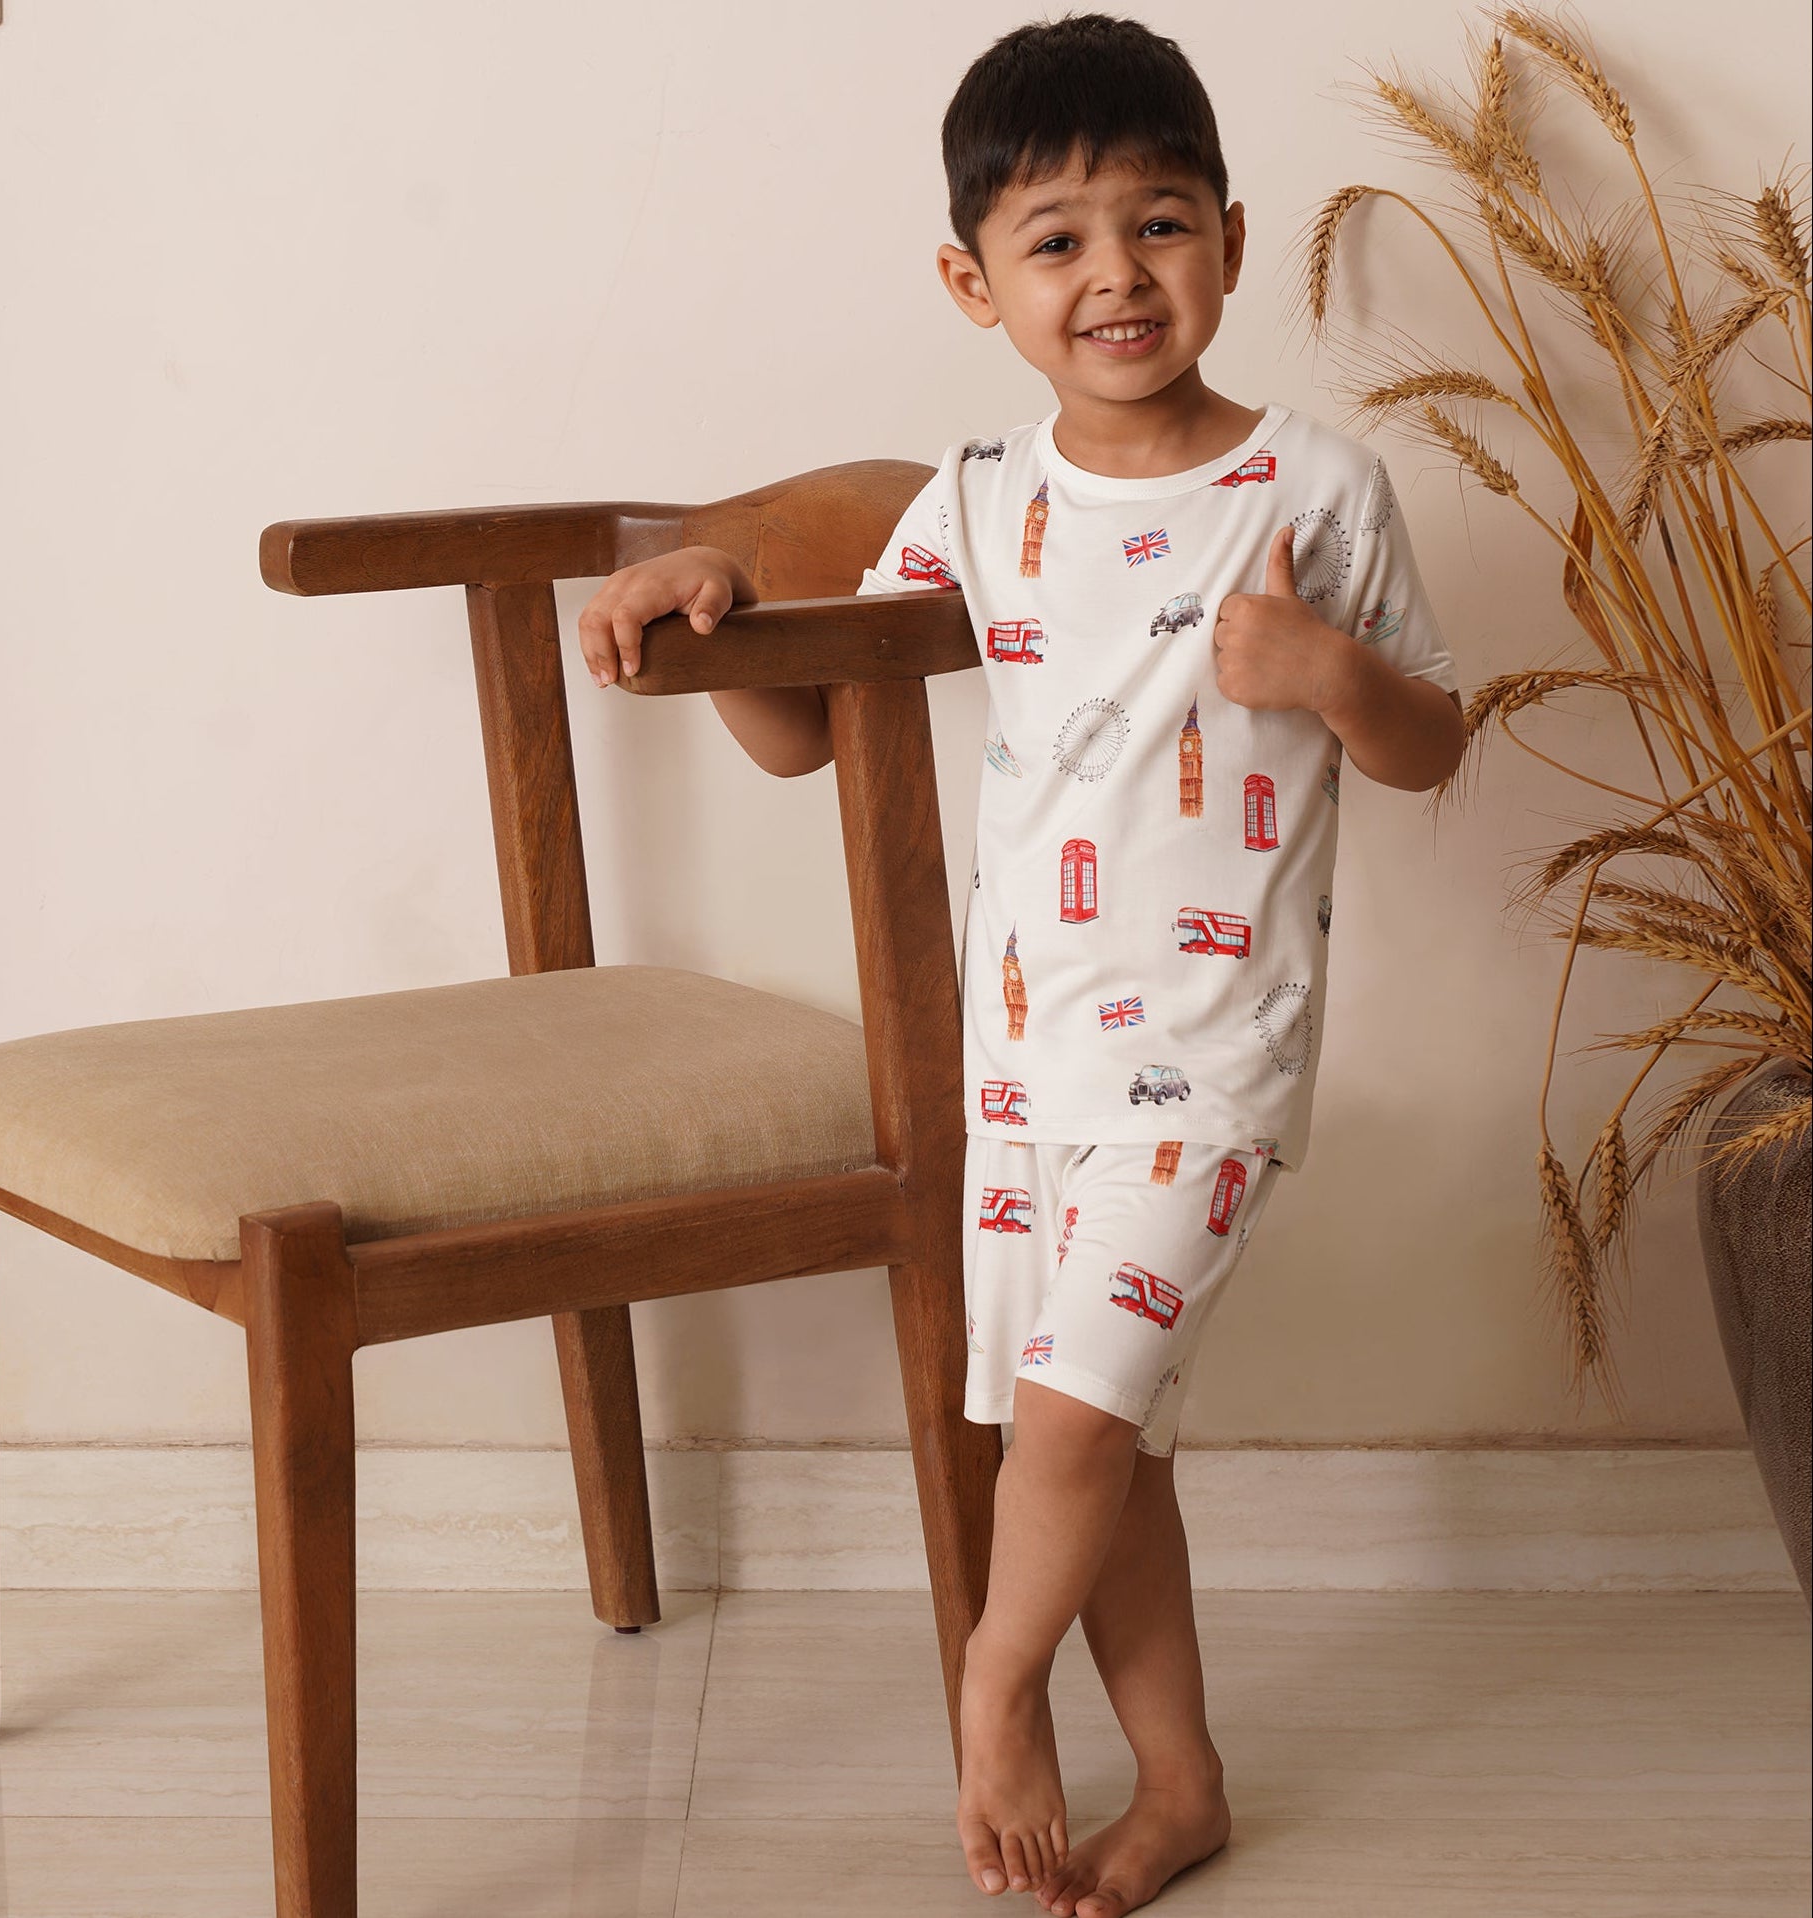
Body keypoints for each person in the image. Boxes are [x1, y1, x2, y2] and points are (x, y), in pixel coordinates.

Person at [576, 14, 1466, 1914]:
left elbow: (1430, 741)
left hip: (1215, 1055)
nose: (1115, 274)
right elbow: (815, 724)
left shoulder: (1315, 487)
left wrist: (1330, 677)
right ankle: (1183, 1780)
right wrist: (722, 606)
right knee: (1101, 1430)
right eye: (1057, 240)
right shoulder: (980, 501)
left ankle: (992, 1681)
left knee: (1063, 1418)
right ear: (974, 284)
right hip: (1025, 1061)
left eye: (1157, 224)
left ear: (1230, 238)